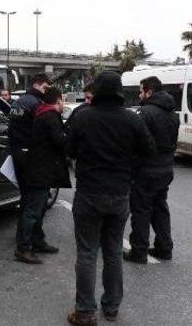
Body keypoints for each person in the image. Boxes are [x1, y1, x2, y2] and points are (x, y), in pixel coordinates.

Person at [66, 71, 155, 326]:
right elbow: (148, 151)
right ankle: (112, 307)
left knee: (86, 252)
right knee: (113, 251)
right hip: (119, 193)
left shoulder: (83, 117)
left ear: (97, 90)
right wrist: (128, 171)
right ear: (119, 92)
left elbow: (69, 150)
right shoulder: (132, 119)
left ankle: (84, 311)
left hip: (89, 193)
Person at [14, 87, 72, 264]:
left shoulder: (41, 113)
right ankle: (23, 248)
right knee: (33, 210)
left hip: (38, 169)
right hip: (40, 170)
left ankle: (37, 241)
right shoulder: (50, 116)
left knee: (38, 209)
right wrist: (69, 134)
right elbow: (59, 140)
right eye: (63, 100)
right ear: (58, 100)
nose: (64, 104)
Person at [125, 76, 179, 264]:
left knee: (141, 211)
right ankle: (164, 247)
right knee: (160, 209)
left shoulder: (145, 112)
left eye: (141, 91)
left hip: (146, 170)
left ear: (149, 92)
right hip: (165, 169)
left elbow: (136, 143)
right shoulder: (173, 113)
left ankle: (139, 251)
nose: (139, 95)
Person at [8, 73, 51, 264]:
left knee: (28, 200)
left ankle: (36, 240)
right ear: (37, 84)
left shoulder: (17, 102)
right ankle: (24, 247)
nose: (47, 90)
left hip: (18, 155)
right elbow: (42, 133)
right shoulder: (37, 104)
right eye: (45, 87)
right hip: (33, 157)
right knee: (35, 202)